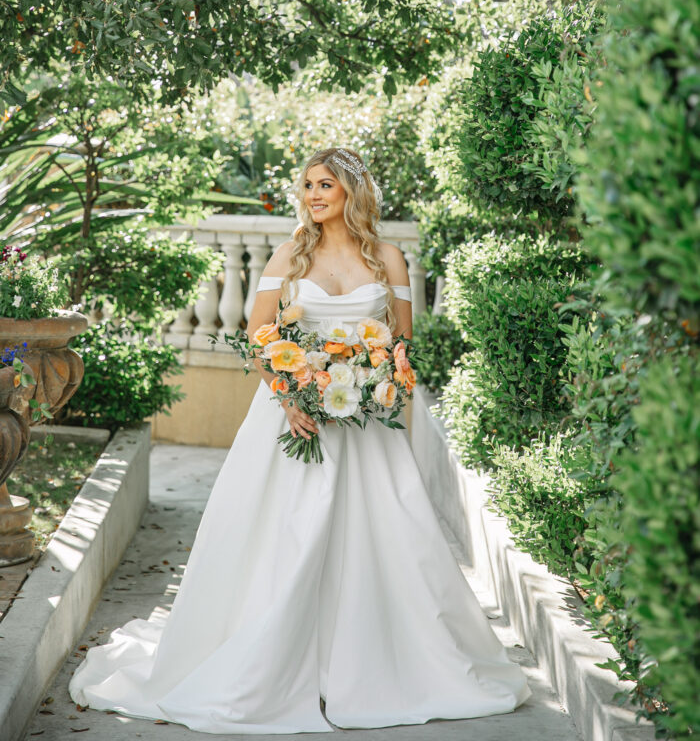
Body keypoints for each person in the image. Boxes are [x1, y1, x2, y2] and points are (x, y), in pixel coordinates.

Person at [69, 145, 531, 733]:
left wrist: (375, 384)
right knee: (286, 535)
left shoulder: (388, 257)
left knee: (380, 535)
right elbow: (258, 333)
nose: (313, 195)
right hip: (293, 414)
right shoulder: (291, 253)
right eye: (308, 185)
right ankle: (273, 661)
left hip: (365, 424)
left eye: (325, 186)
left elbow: (401, 343)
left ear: (351, 193)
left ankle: (370, 665)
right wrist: (291, 397)